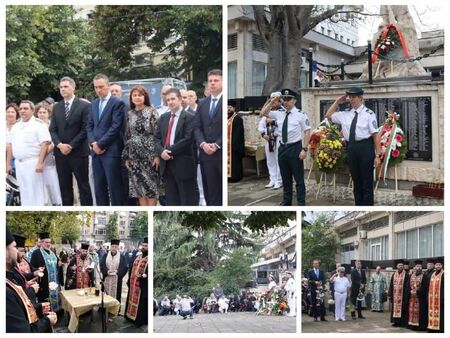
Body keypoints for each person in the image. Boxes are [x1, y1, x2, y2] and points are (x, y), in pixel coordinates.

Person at [325, 87, 381, 205]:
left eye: (353, 97)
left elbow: (376, 135)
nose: (351, 99)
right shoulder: (346, 114)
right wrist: (337, 102)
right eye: (349, 97)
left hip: (365, 147)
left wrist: (378, 155)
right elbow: (328, 115)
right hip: (351, 148)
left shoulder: (369, 114)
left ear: (360, 98)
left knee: (366, 182)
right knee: (356, 181)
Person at [261, 89, 310, 206]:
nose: (286, 102)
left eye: (289, 99)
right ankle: (287, 201)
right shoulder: (279, 113)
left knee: (298, 179)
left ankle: (301, 202)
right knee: (285, 177)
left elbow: (307, 132)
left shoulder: (301, 115)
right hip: (282, 148)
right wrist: (272, 100)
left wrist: (304, 149)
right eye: (284, 99)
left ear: (295, 101)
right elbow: (263, 113)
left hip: (295, 147)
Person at [50, 76, 93, 206]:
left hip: (79, 153)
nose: (63, 89)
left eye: (66, 86)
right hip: (61, 154)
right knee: (65, 188)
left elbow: (85, 129)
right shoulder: (56, 107)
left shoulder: (84, 106)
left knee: (83, 187)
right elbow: (52, 129)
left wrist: (71, 146)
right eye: (61, 87)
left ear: (73, 88)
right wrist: (59, 145)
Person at [6, 227, 56, 333]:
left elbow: (21, 305)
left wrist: (38, 308)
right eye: (15, 248)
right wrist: (47, 321)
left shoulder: (11, 274)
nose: (22, 253)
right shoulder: (6, 292)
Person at [87, 73, 126, 206]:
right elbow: (89, 126)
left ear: (108, 86)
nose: (98, 90)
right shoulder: (94, 104)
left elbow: (115, 127)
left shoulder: (118, 103)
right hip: (96, 152)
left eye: (101, 87)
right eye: (96, 87)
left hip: (111, 151)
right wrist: (93, 144)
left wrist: (101, 144)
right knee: (99, 187)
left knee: (114, 187)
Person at [155, 88, 198, 206]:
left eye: (173, 99)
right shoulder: (163, 118)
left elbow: (188, 139)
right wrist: (161, 152)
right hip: (167, 165)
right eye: (168, 100)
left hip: (183, 164)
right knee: (172, 201)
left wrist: (168, 151)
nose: (170, 102)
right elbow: (156, 138)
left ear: (179, 99)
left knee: (186, 200)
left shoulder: (190, 117)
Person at [6, 100, 51, 206]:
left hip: (33, 162)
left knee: (36, 192)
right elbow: (10, 145)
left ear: (32, 110)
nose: (22, 111)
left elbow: (45, 144)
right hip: (19, 163)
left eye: (25, 109)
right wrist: (7, 163)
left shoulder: (38, 125)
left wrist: (40, 162)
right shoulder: (16, 126)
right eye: (21, 109)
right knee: (24, 191)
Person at [122, 85, 161, 206]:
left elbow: (157, 134)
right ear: (131, 98)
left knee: (151, 188)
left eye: (140, 95)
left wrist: (157, 155)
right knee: (138, 189)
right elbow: (127, 135)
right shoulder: (129, 114)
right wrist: (126, 156)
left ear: (145, 97)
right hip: (134, 156)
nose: (137, 97)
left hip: (149, 154)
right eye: (134, 95)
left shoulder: (152, 111)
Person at [194, 69, 223, 206]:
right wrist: (203, 144)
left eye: (216, 80)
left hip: (221, 153)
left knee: (222, 191)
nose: (212, 83)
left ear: (222, 82)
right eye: (210, 81)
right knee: (210, 191)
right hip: (206, 154)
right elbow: (197, 127)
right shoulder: (203, 103)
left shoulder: (225, 101)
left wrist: (217, 144)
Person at [35, 104, 62, 206]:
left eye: (44, 112)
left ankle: (57, 203)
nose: (42, 114)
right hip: (36, 158)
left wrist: (44, 152)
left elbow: (54, 142)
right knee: (40, 184)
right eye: (40, 112)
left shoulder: (52, 125)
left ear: (48, 114)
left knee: (53, 183)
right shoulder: (35, 126)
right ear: (37, 113)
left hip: (51, 158)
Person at [30, 232, 63, 312]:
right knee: (46, 305)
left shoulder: (53, 253)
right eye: (46, 242)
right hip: (44, 285)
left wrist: (59, 265)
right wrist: (38, 270)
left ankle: (57, 312)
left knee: (57, 301)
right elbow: (32, 268)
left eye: (49, 242)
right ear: (41, 242)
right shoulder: (36, 253)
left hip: (55, 283)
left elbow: (57, 265)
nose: (48, 244)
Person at [258, 92, 284, 189]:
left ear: (280, 100)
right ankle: (272, 179)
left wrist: (273, 122)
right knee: (270, 160)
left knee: (278, 160)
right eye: (271, 100)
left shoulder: (283, 111)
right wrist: (263, 134)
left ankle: (279, 180)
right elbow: (261, 124)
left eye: (275, 100)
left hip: (278, 138)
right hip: (268, 140)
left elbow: (284, 124)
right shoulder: (268, 111)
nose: (273, 102)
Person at [125, 237, 148, 326]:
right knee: (131, 299)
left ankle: (138, 320)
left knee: (141, 303)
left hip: (142, 286)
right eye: (143, 245)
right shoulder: (138, 257)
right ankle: (129, 316)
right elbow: (131, 269)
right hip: (133, 284)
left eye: (146, 246)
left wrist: (143, 276)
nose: (144, 247)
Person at [99, 239, 128, 303]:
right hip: (107, 278)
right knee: (104, 295)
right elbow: (102, 265)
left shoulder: (122, 257)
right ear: (110, 247)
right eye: (113, 246)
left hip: (117, 279)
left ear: (118, 247)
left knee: (116, 295)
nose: (114, 248)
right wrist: (106, 271)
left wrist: (117, 272)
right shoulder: (105, 256)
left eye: (115, 247)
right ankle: (104, 308)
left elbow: (125, 268)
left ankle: (115, 310)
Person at [388, 260, 410, 327]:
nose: (400, 267)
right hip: (395, 296)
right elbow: (391, 284)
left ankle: (402, 323)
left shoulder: (406, 275)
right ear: (397, 266)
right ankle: (396, 322)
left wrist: (406, 295)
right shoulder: (394, 274)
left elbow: (407, 286)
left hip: (403, 295)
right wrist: (390, 294)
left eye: (401, 266)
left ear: (403, 267)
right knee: (395, 309)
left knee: (403, 309)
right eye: (399, 265)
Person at [227, 104, 245, 182]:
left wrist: (233, 144)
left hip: (234, 145)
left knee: (235, 162)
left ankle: (235, 177)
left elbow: (238, 133)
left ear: (234, 108)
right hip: (227, 145)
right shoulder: (226, 118)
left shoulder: (237, 119)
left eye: (230, 107)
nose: (228, 109)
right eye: (227, 107)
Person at [408, 260, 426, 330]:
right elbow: (407, 285)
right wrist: (410, 291)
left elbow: (425, 286)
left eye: (420, 266)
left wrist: (417, 292)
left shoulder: (424, 276)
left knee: (419, 312)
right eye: (417, 266)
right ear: (415, 267)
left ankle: (418, 326)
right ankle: (411, 324)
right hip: (411, 297)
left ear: (421, 267)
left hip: (420, 297)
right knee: (411, 311)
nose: (418, 268)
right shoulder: (411, 275)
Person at [427, 257, 444, 332]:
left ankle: (440, 329)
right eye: (436, 265)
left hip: (440, 299)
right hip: (432, 299)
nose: (437, 266)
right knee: (431, 313)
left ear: (442, 266)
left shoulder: (444, 274)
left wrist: (442, 298)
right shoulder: (432, 274)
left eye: (439, 265)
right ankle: (432, 327)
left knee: (441, 314)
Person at [6, 103, 20, 175]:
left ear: (16, 114)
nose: (10, 114)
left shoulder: (20, 126)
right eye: (8, 112)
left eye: (12, 112)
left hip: (15, 157)